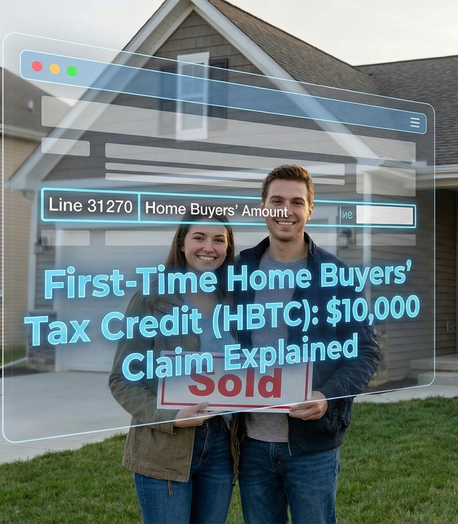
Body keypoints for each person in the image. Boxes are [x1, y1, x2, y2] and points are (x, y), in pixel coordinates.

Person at [236, 164, 380, 524]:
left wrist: (326, 395)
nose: (286, 210)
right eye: (277, 200)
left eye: (296, 202)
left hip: (311, 447)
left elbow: (366, 351)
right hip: (251, 444)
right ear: (263, 207)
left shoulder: (337, 276)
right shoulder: (238, 272)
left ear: (310, 210)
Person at [109, 210, 241, 524]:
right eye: (199, 237)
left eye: (218, 240)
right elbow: (121, 379)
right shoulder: (152, 298)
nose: (209, 247)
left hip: (221, 443)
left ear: (228, 248)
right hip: (164, 445)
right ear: (181, 244)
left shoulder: (236, 301)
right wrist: (171, 416)